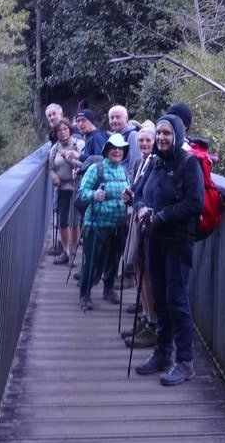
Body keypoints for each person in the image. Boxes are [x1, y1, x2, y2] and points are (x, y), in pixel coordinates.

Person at [133, 113, 203, 386]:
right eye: (159, 133)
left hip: (177, 241)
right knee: (160, 297)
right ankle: (162, 352)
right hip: (155, 239)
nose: (161, 138)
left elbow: (194, 203)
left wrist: (160, 216)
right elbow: (139, 191)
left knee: (176, 298)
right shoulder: (155, 163)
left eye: (167, 134)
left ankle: (185, 361)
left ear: (177, 136)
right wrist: (140, 209)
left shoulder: (188, 163)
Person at [76, 132, 129, 311]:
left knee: (114, 259)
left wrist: (128, 197)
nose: (117, 151)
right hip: (97, 223)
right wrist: (94, 194)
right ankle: (85, 293)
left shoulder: (123, 171)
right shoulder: (96, 169)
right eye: (113, 148)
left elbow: (127, 192)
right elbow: (82, 192)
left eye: (120, 149)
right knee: (92, 260)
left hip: (118, 224)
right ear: (106, 150)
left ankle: (108, 288)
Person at [121, 121, 157, 348]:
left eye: (148, 140)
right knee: (136, 266)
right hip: (136, 217)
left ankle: (151, 321)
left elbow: (145, 191)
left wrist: (135, 198)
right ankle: (146, 316)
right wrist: (130, 195)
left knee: (145, 269)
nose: (144, 144)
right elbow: (138, 188)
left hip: (146, 220)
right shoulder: (139, 162)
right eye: (141, 140)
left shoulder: (154, 163)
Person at [48, 116, 84, 263]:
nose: (63, 132)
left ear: (69, 130)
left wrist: (69, 158)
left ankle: (74, 251)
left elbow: (83, 163)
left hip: (76, 186)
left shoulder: (79, 144)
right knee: (63, 220)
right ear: (56, 133)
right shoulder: (54, 148)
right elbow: (50, 168)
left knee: (75, 220)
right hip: (62, 186)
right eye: (59, 130)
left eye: (65, 129)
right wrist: (55, 178)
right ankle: (66, 251)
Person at [108, 104, 141, 176]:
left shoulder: (133, 135)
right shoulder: (112, 137)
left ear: (126, 118)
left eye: (118, 117)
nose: (114, 120)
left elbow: (135, 163)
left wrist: (130, 183)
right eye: (112, 118)